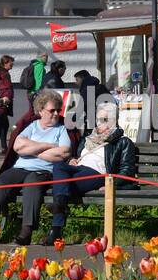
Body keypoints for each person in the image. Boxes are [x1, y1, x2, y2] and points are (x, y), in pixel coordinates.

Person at [0, 90, 71, 246]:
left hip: (43, 170)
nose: (55, 114)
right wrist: (46, 146)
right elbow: (18, 146)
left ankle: (26, 232)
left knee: (32, 186)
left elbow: (64, 152)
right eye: (51, 110)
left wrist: (31, 150)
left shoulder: (61, 129)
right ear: (41, 111)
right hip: (21, 167)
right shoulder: (32, 126)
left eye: (58, 110)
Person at [43, 102, 136, 244]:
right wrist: (73, 160)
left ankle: (56, 229)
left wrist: (112, 184)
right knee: (59, 166)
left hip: (97, 174)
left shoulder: (123, 142)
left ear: (114, 120)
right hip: (79, 169)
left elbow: (127, 171)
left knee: (61, 189)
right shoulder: (88, 138)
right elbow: (78, 156)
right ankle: (61, 206)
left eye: (105, 120)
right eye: (98, 119)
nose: (100, 123)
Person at [72, 68, 112, 134]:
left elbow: (82, 108)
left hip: (95, 123)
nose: (76, 83)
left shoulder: (86, 90)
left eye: (77, 80)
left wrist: (73, 118)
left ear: (82, 78)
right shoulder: (101, 87)